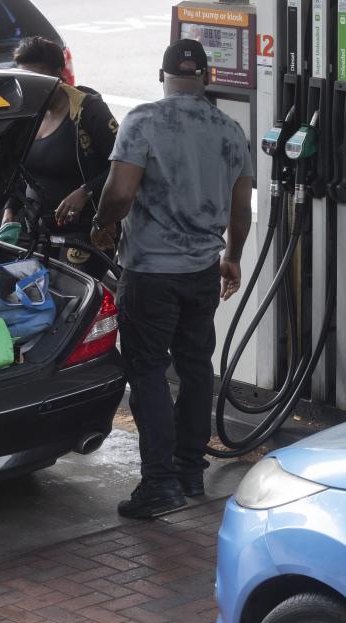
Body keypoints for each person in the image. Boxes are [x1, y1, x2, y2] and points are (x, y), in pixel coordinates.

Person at [90, 39, 253, 518]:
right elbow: (239, 211)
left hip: (150, 273)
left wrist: (102, 227)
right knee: (196, 368)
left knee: (147, 372)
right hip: (203, 271)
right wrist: (233, 257)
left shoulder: (143, 121)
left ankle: (159, 483)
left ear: (162, 77)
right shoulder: (230, 129)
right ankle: (189, 470)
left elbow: (119, 194)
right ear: (206, 77)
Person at [2, 36, 119, 279]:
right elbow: (17, 168)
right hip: (34, 229)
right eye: (24, 78)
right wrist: (10, 209)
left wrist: (85, 191)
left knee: (71, 300)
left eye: (38, 78)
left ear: (58, 74)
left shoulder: (88, 111)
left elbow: (123, 167)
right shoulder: (25, 113)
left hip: (83, 232)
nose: (30, 86)